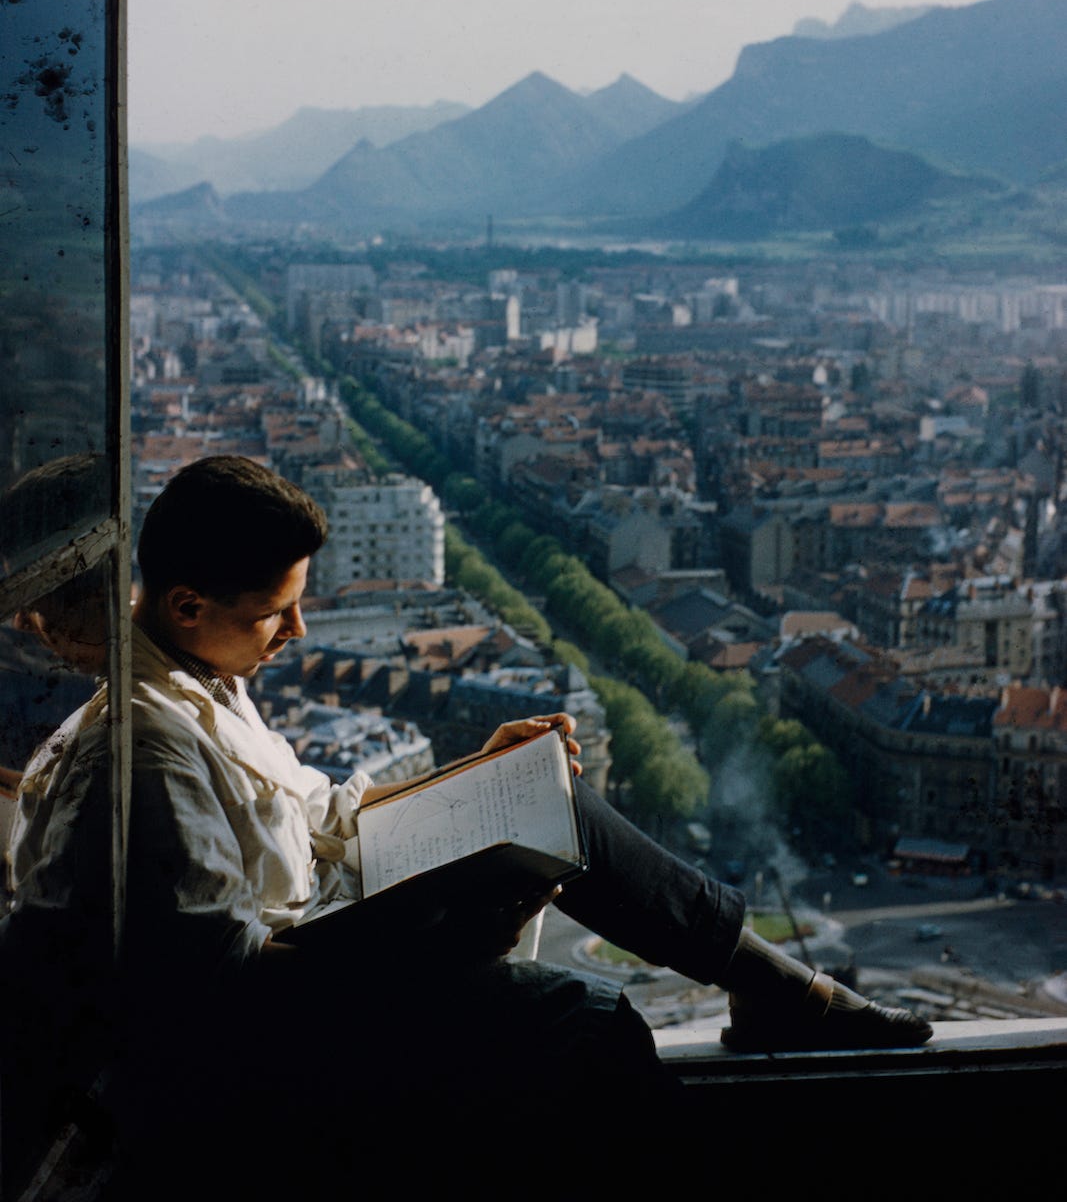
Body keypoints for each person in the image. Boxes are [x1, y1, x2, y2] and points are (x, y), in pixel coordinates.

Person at [5, 456, 933, 1188]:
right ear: (187, 605)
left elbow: (312, 813)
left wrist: (474, 780)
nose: (298, 635)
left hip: (304, 969)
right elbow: (217, 999)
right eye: (277, 615)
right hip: (258, 1052)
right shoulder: (146, 757)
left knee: (551, 797)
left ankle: (774, 985)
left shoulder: (197, 679)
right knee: (589, 1020)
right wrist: (427, 930)